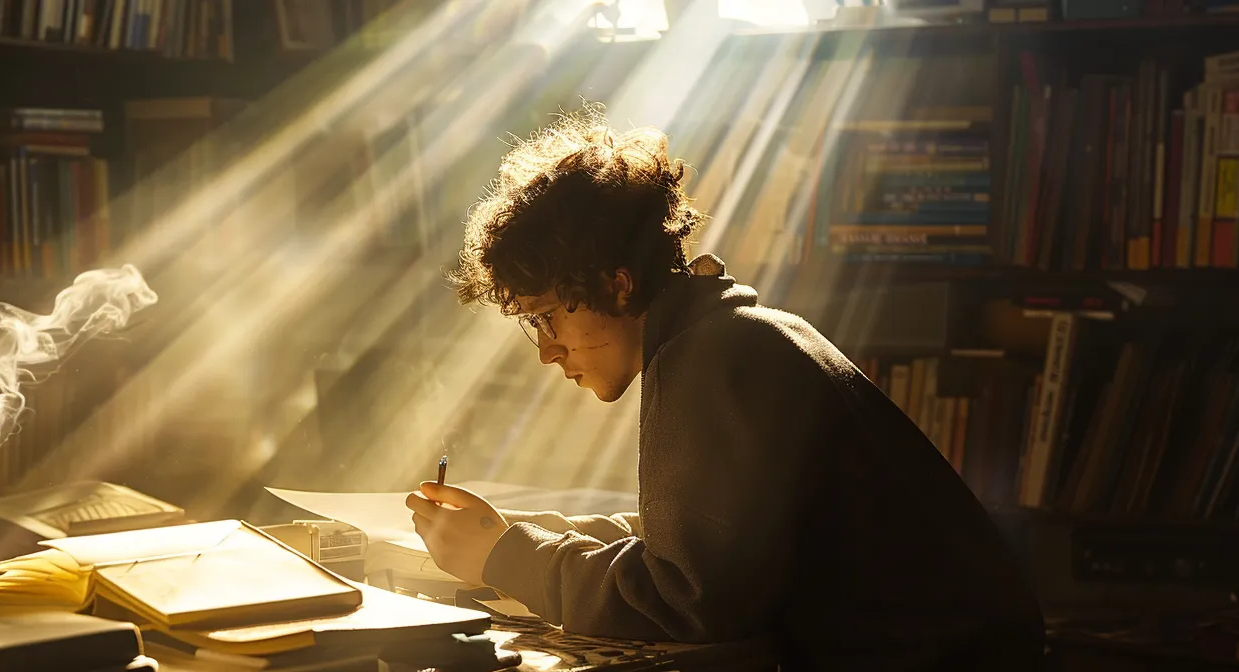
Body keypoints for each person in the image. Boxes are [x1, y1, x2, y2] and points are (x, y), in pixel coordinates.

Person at [404, 109, 1045, 671]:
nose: (546, 350)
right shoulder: (731, 334)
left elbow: (690, 601)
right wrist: (541, 533)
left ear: (617, 285)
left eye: (548, 316)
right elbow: (717, 537)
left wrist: (510, 558)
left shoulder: (710, 360)